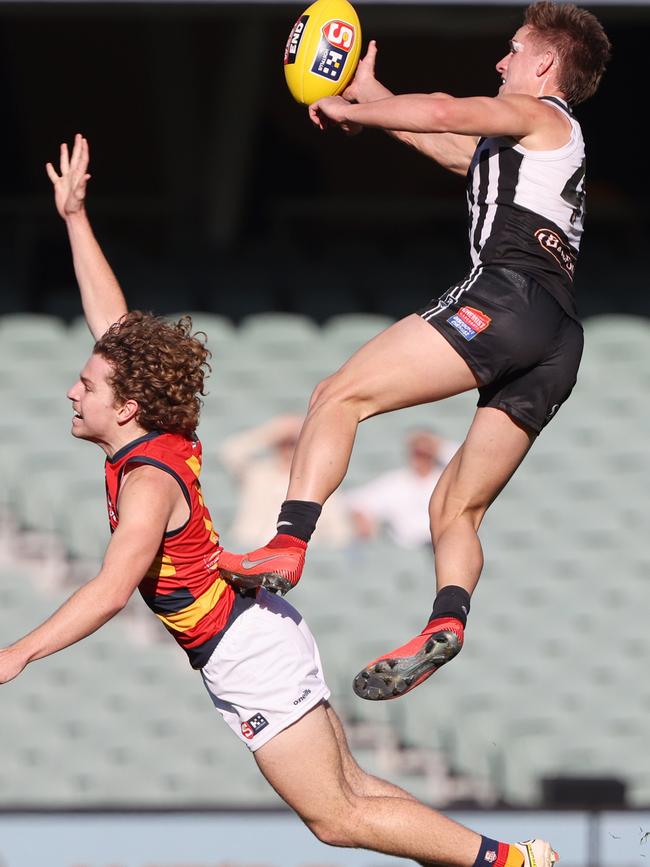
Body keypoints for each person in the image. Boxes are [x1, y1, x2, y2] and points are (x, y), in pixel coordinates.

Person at [0, 135, 558, 867]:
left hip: (243, 649)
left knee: (336, 817)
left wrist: (20, 651)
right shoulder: (156, 433)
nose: (73, 391)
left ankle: (509, 865)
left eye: (88, 386)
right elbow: (113, 325)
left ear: (128, 406)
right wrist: (75, 217)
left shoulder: (147, 483)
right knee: (351, 793)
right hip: (252, 631)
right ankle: (513, 859)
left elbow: (110, 590)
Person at [219, 1, 611, 701]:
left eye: (514, 50)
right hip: (558, 339)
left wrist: (355, 115)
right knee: (453, 509)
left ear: (546, 63)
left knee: (337, 395)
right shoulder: (546, 148)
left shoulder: (540, 113)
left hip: (506, 298)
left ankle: (288, 541)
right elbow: (451, 148)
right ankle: (448, 619)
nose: (501, 62)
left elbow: (440, 112)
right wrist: (370, 97)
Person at [219, 414, 351, 549]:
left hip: (294, 558)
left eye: (294, 443)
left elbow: (340, 532)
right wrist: (273, 431)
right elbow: (230, 452)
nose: (287, 449)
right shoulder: (258, 474)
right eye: (283, 443)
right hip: (250, 549)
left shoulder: (318, 483)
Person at [347, 429, 458, 548]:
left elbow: (470, 461)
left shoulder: (447, 479)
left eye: (425, 452)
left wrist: (438, 445)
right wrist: (360, 517)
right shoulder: (396, 482)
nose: (420, 458)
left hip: (443, 544)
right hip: (406, 549)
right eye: (417, 452)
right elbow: (355, 501)